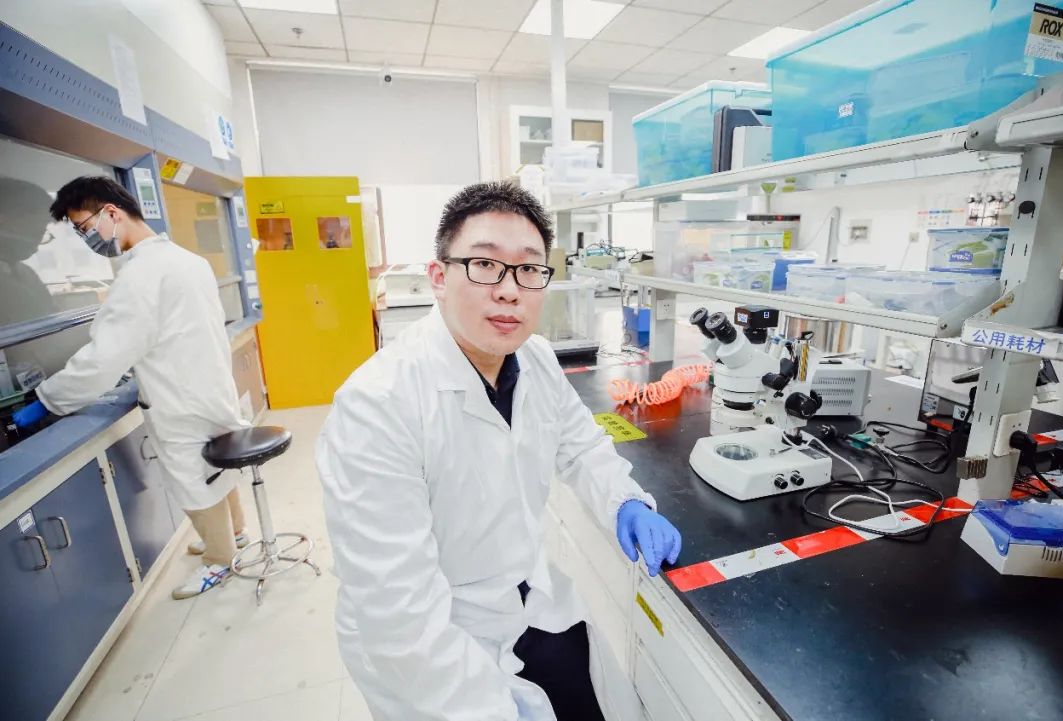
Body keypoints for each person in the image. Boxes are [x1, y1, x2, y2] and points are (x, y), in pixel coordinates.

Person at [317, 181, 682, 721]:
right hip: (430, 648)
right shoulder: (377, 406)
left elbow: (581, 447)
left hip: (524, 599)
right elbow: (398, 611)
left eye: (529, 269)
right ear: (438, 277)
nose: (510, 290)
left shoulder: (535, 359)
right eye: (485, 265)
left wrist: (624, 501)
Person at [12, 176, 249, 600]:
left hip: (179, 398)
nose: (86, 238)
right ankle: (235, 533)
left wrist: (48, 399)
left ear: (111, 212)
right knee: (215, 469)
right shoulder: (186, 259)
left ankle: (220, 560)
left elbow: (104, 358)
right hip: (210, 385)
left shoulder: (140, 275)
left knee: (193, 479)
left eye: (83, 227)